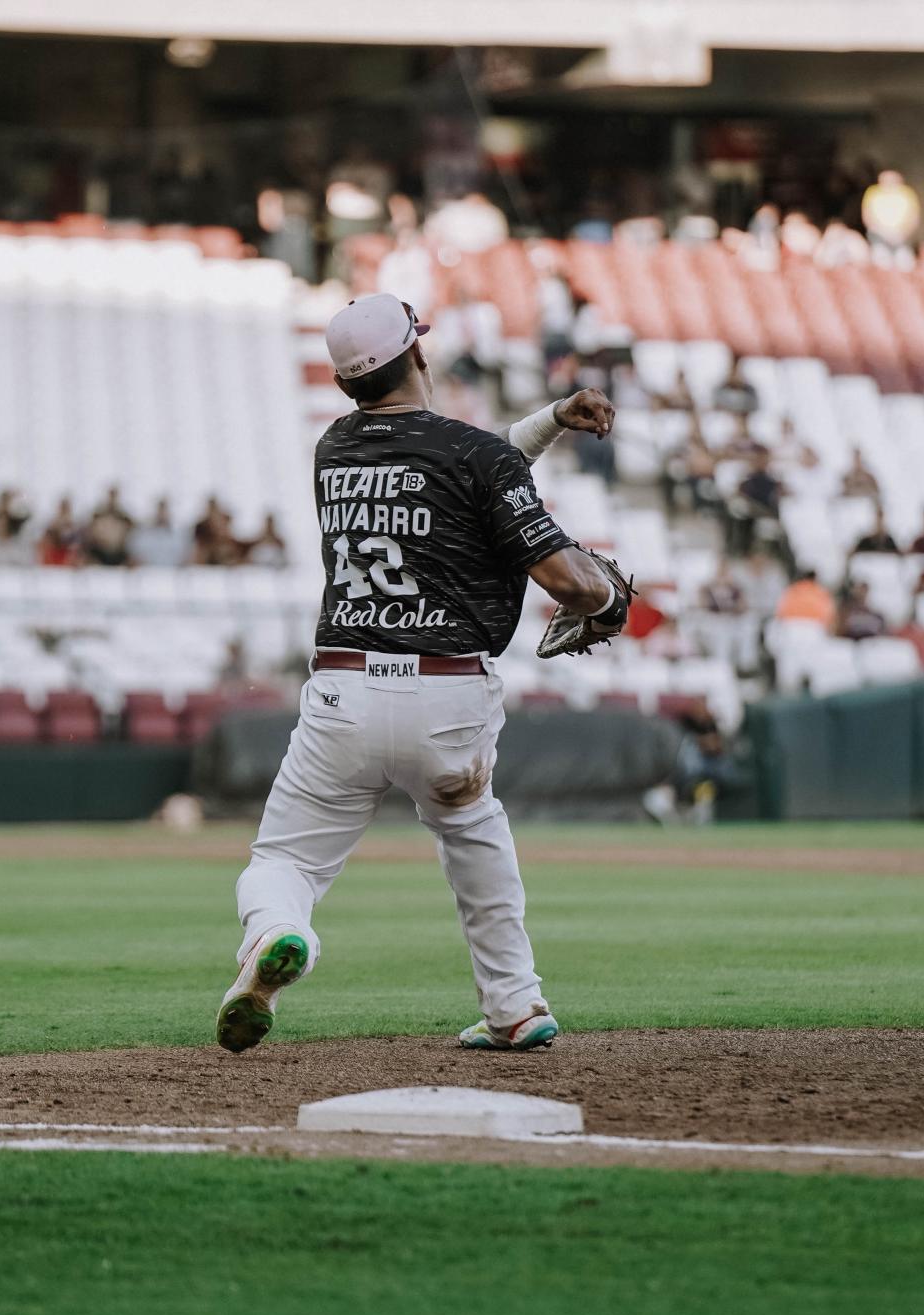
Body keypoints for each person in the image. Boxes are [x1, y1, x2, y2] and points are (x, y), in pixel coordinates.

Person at [217, 292, 621, 1058]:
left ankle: (279, 933)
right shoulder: (476, 456)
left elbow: (457, 463)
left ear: (346, 384)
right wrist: (608, 596)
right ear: (420, 356)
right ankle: (513, 1004)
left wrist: (549, 419)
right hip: (448, 694)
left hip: (343, 691)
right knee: (474, 834)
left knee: (283, 862)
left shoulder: (333, 448)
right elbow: (559, 572)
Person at [129, 497, 187, 567]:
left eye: (164, 510)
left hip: (171, 574)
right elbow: (135, 556)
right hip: (148, 573)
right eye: (160, 510)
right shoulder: (142, 535)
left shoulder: (179, 535)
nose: (161, 514)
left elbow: (184, 558)